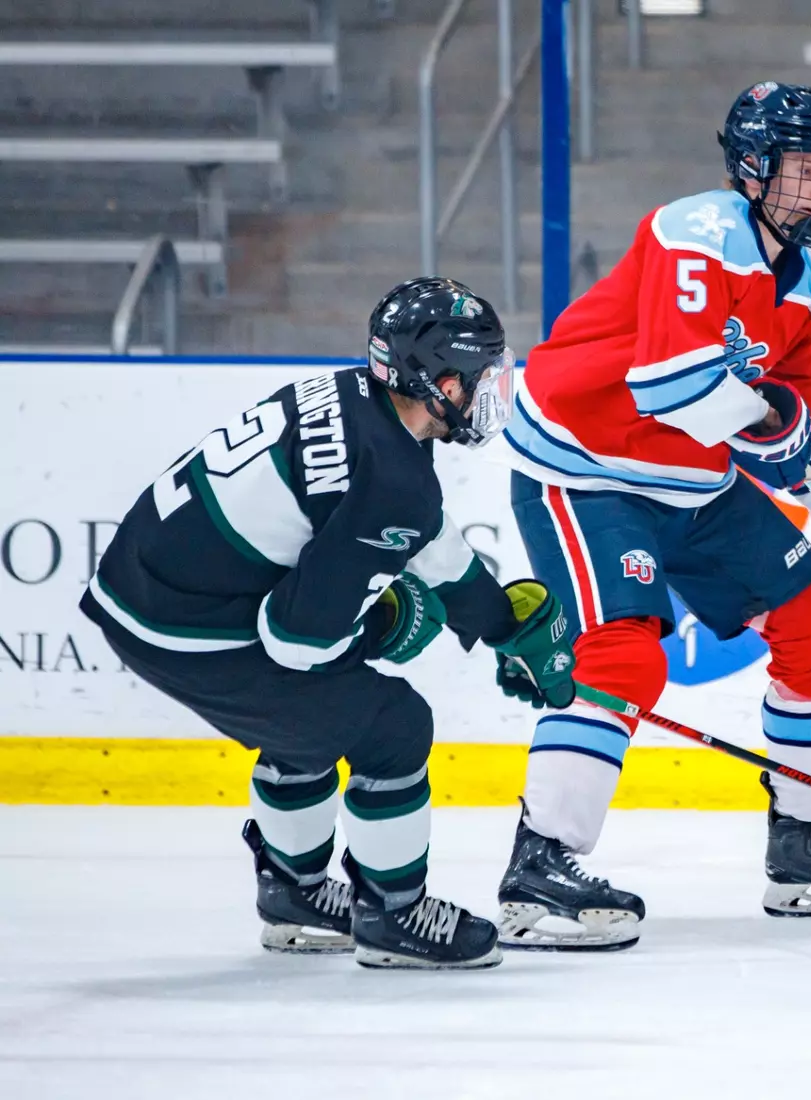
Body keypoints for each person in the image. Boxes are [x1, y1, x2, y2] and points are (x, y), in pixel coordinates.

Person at [493, 82, 811, 951]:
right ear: (752, 167)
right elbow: (668, 386)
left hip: (691, 485)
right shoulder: (696, 230)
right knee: (625, 654)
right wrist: (768, 428)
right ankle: (539, 868)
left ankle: (802, 848)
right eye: (802, 170)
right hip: (584, 467)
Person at [80, 278, 579, 970]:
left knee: (316, 716)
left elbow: (419, 532)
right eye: (473, 374)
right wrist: (385, 625)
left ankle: (295, 895)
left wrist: (495, 619)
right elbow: (298, 641)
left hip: (150, 587)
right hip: (186, 625)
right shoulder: (390, 476)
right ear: (428, 377)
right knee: (393, 726)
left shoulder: (362, 401)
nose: (487, 389)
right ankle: (395, 914)